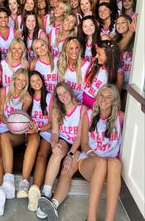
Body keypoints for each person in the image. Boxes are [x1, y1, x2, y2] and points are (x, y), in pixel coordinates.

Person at [37, 82, 86, 220]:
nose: (63, 96)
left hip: (78, 145)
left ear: (70, 92)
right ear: (57, 97)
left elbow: (79, 137)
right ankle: (46, 193)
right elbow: (54, 133)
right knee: (57, 152)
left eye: (65, 92)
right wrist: (53, 144)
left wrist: (70, 155)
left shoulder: (82, 110)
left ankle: (53, 204)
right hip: (64, 140)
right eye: (59, 94)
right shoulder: (56, 110)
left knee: (66, 169)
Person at [78, 84, 124, 221]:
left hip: (110, 168)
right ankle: (91, 218)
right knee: (101, 163)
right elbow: (84, 144)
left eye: (108, 97)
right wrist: (94, 155)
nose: (103, 100)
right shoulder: (88, 115)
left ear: (114, 100)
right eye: (101, 96)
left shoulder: (121, 117)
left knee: (115, 164)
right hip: (90, 163)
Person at [0, 68, 32, 216]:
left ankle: (7, 180)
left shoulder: (27, 97)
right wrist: (8, 123)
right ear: (13, 79)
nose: (21, 83)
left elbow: (22, 118)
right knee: (0, 159)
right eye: (18, 79)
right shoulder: (4, 91)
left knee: (4, 138)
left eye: (24, 80)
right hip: (2, 128)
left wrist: (13, 126)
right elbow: (0, 114)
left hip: (17, 133)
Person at [27, 71, 53, 212]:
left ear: (42, 81)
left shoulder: (49, 97)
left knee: (41, 156)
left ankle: (35, 189)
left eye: (38, 79)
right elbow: (23, 116)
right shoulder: (28, 98)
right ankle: (25, 182)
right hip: (31, 133)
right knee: (33, 145)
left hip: (45, 132)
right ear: (29, 84)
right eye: (32, 81)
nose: (36, 83)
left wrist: (39, 129)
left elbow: (53, 122)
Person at [83, 40, 124, 109]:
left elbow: (116, 97)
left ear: (109, 56)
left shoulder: (118, 73)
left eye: (99, 54)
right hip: (83, 100)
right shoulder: (95, 64)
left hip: (98, 106)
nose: (96, 56)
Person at [58, 37, 91, 103]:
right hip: (63, 102)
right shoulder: (60, 63)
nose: (74, 51)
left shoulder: (87, 66)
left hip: (79, 104)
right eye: (71, 48)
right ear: (65, 50)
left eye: (76, 48)